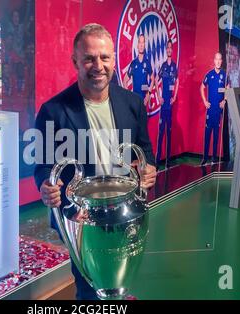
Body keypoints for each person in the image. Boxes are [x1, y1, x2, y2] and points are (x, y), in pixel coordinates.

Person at [34, 23, 157, 300]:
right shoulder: (54, 111)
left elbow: (145, 150)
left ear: (114, 60)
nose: (97, 65)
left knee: (119, 281)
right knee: (90, 287)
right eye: (89, 58)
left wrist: (149, 168)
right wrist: (46, 185)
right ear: (76, 62)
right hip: (83, 218)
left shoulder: (133, 103)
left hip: (125, 212)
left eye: (104, 57)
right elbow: (43, 165)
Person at [200, 52, 228, 166]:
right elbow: (201, 87)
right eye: (216, 59)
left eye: (220, 59)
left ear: (221, 61)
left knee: (216, 135)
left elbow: (228, 89)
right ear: (214, 60)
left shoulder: (224, 75)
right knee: (207, 134)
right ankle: (205, 158)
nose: (218, 61)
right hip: (210, 110)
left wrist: (224, 100)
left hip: (218, 111)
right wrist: (204, 101)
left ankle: (214, 159)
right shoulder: (209, 74)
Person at [155, 40, 179, 169]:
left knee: (169, 133)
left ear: (172, 50)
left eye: (171, 48)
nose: (169, 50)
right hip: (163, 106)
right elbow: (156, 81)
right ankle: (157, 161)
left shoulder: (174, 66)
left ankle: (168, 161)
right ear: (166, 50)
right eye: (167, 48)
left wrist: (174, 96)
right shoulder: (163, 66)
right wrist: (159, 96)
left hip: (170, 106)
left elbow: (177, 81)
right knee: (161, 132)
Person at [123, 34, 154, 107]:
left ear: (144, 45)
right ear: (137, 45)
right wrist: (130, 96)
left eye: (143, 43)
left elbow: (152, 79)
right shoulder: (133, 63)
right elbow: (125, 81)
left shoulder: (147, 63)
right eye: (140, 42)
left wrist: (148, 94)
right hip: (135, 101)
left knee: (143, 118)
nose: (141, 45)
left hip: (144, 101)